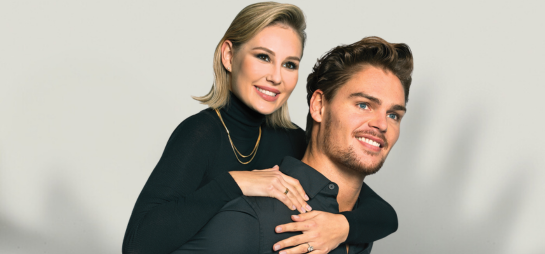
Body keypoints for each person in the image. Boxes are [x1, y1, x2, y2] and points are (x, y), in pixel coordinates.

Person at [122, 3, 397, 254]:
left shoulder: (291, 139)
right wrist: (236, 182)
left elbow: (382, 212)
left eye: (289, 64)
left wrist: (342, 227)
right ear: (229, 56)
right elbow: (136, 244)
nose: (276, 77)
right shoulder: (200, 134)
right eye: (264, 57)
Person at [170, 36, 413, 254]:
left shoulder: (359, 224)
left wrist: (347, 227)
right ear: (319, 106)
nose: (382, 124)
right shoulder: (251, 219)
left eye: (394, 115)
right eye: (363, 105)